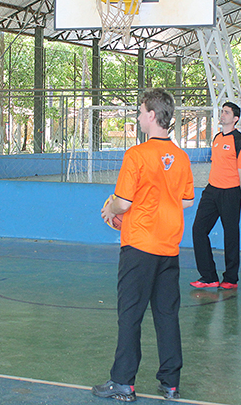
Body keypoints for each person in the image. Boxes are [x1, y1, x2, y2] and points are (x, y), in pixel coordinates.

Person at [93, 89, 195, 402]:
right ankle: (171, 383)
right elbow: (187, 202)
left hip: (139, 247)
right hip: (168, 248)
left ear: (152, 115)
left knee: (130, 315)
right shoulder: (180, 157)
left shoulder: (136, 155)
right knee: (166, 315)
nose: (138, 117)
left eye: (140, 112)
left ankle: (123, 382)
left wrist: (111, 207)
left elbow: (123, 201)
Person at [190, 102, 241, 290]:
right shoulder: (216, 138)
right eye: (222, 112)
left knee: (231, 235)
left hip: (231, 193)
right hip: (211, 191)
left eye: (226, 112)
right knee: (198, 230)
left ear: (235, 119)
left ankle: (231, 279)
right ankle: (209, 276)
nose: (222, 115)